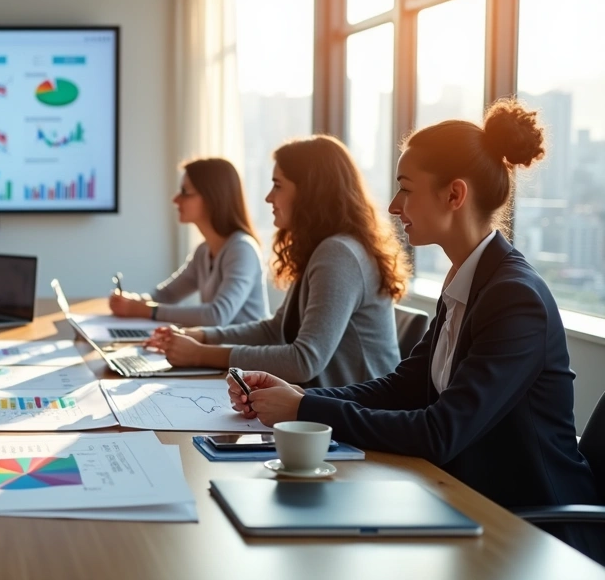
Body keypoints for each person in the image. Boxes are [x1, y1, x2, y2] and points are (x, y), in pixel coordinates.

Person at [225, 99, 603, 561]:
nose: (393, 205)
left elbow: (440, 431)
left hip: (534, 534)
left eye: (406, 188)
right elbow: (403, 387)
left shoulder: (514, 298)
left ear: (454, 195)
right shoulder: (468, 279)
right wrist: (296, 397)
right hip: (470, 502)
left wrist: (305, 406)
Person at [145, 135, 408, 388]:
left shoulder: (338, 254)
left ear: (310, 192)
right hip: (325, 406)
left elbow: (304, 361)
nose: (269, 197)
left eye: (278, 185)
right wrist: (203, 336)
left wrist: (201, 354)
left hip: (352, 420)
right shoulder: (321, 249)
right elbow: (275, 330)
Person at [108, 157, 267, 327]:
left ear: (213, 198)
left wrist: (145, 310)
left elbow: (217, 315)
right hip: (218, 349)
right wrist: (132, 302)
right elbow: (166, 295)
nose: (175, 199)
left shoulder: (242, 249)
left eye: (185, 192)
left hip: (245, 352)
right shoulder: (203, 251)